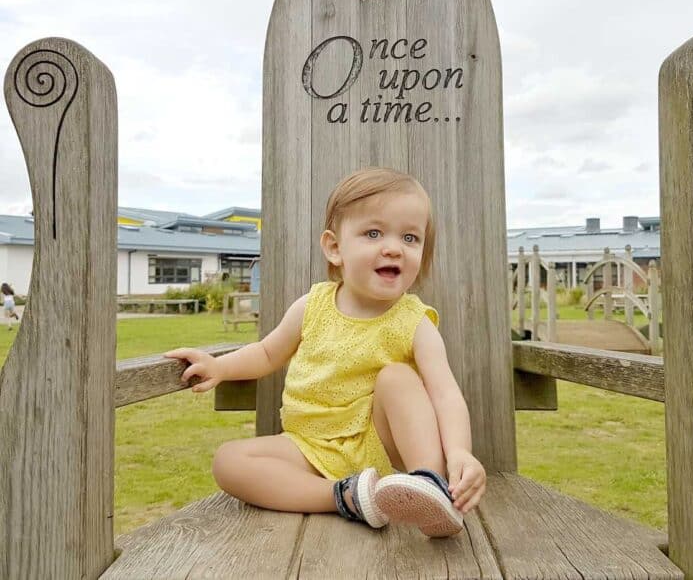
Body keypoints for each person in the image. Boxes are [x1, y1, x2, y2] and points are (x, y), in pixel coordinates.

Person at [166, 167, 486, 537]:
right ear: (335, 248)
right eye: (373, 233)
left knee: (397, 378)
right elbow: (268, 353)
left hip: (378, 443)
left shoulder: (415, 323)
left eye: (410, 237)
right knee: (229, 462)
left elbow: (445, 394)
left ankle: (430, 485)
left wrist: (460, 452)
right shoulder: (312, 305)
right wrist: (219, 366)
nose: (394, 247)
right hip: (307, 447)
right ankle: (347, 497)